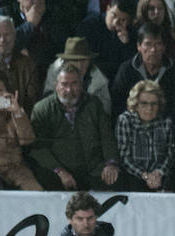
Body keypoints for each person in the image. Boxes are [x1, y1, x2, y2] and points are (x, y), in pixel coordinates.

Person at [29, 61, 119, 192]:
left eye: (74, 84)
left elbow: (107, 137)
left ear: (81, 85)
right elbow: (38, 148)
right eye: (64, 84)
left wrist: (111, 163)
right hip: (59, 171)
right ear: (56, 86)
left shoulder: (94, 104)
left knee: (115, 180)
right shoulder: (42, 109)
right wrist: (60, 171)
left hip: (93, 169)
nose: (69, 90)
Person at [111, 23, 175, 125]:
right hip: (133, 127)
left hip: (167, 127)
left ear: (164, 47)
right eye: (148, 44)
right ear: (139, 46)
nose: (153, 50)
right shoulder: (126, 69)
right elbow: (118, 104)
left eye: (158, 44)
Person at [116, 79, 174, 191]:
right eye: (144, 103)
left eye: (154, 104)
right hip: (133, 178)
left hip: (159, 178)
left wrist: (158, 172)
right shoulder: (125, 120)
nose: (149, 108)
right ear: (135, 104)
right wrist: (146, 176)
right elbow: (124, 157)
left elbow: (170, 154)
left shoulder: (166, 122)